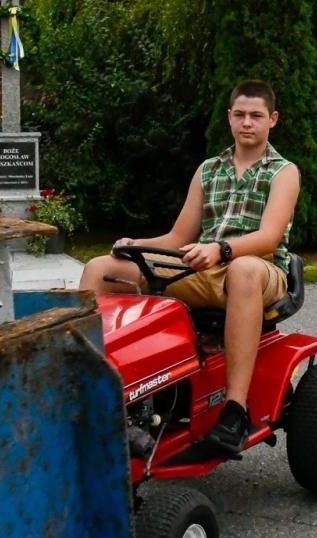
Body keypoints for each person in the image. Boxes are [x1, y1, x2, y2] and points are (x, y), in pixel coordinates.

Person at [77, 80, 301, 456]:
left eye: (256, 116)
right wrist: (137, 245)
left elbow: (269, 237)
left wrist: (221, 249)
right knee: (101, 267)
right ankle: (90, 388)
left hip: (261, 272)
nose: (247, 122)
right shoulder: (209, 170)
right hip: (203, 268)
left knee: (243, 269)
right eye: (240, 115)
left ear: (272, 120)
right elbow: (179, 236)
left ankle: (235, 410)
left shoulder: (283, 172)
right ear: (229, 117)